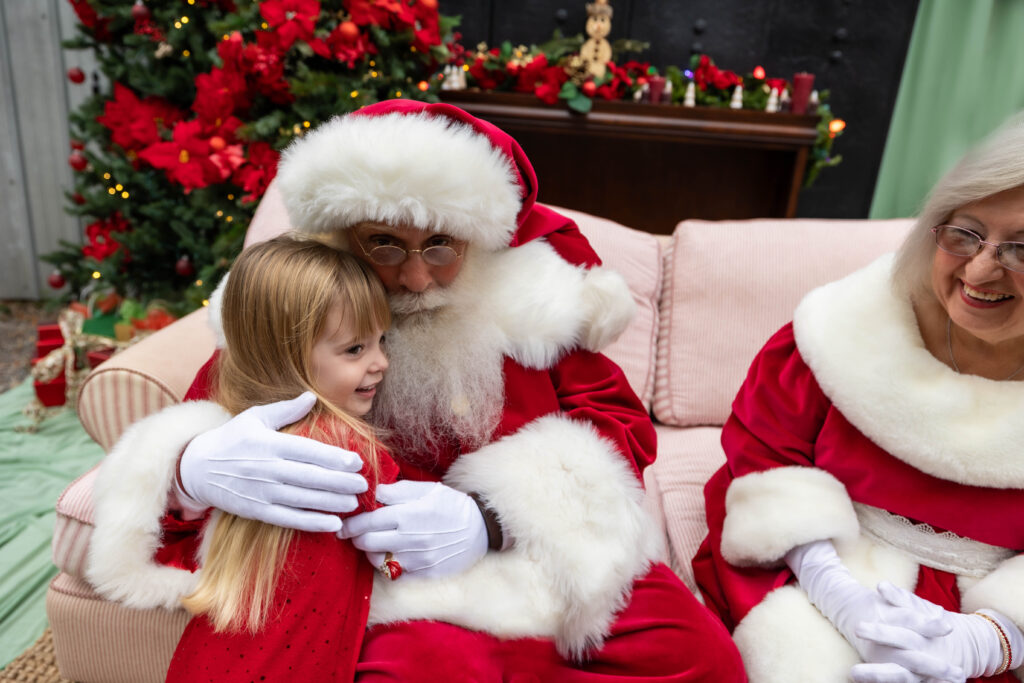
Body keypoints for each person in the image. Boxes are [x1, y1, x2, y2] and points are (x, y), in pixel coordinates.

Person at [87, 100, 745, 681]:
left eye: (439, 245)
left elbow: (620, 425)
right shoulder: (306, 303)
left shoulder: (532, 306)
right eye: (384, 244)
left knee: (702, 657)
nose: (415, 278)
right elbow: (219, 402)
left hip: (534, 548)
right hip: (379, 572)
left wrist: (490, 516)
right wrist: (190, 466)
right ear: (346, 234)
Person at [692, 112, 1024, 682]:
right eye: (965, 232)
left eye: (1022, 249)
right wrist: (833, 589)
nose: (979, 269)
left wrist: (992, 640)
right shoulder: (845, 327)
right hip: (817, 571)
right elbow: (764, 459)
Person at [161, 236, 398, 681]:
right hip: (299, 661)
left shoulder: (232, 427)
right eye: (355, 349)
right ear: (287, 355)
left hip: (213, 655)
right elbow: (392, 550)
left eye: (381, 342)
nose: (381, 362)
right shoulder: (351, 450)